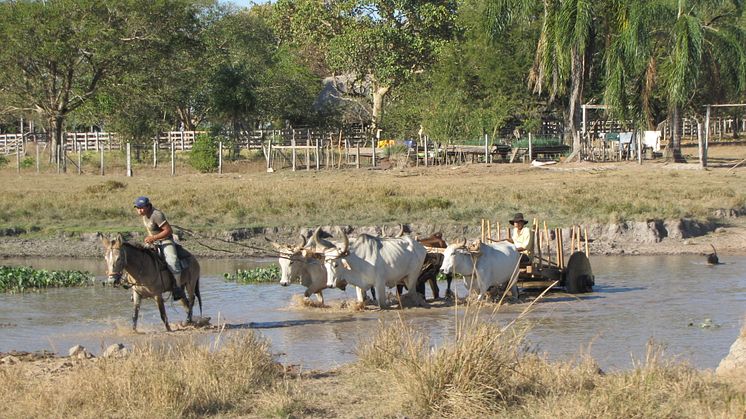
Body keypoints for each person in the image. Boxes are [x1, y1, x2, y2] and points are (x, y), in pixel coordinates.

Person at [133, 196, 185, 300]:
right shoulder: (144, 215)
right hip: (154, 242)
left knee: (172, 261)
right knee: (138, 258)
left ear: (148, 206)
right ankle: (139, 287)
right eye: (137, 208)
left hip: (165, 241)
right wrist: (150, 240)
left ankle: (178, 288)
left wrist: (153, 238)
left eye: (142, 207)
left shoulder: (157, 215)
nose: (139, 210)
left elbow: (168, 230)